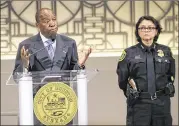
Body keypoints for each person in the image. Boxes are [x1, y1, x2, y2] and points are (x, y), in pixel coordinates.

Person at [13, 8, 91, 125]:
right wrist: (25, 66)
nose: (52, 23)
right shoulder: (26, 45)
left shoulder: (69, 43)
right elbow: (16, 77)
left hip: (63, 108)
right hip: (37, 108)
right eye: (46, 21)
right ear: (37, 25)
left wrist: (79, 65)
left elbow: (74, 75)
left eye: (54, 19)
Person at [116, 16, 175, 126]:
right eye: (142, 28)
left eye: (150, 27)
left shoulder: (166, 51)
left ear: (156, 31)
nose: (146, 30)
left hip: (162, 103)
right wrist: (131, 92)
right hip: (139, 104)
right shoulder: (129, 53)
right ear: (137, 31)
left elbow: (171, 75)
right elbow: (122, 80)